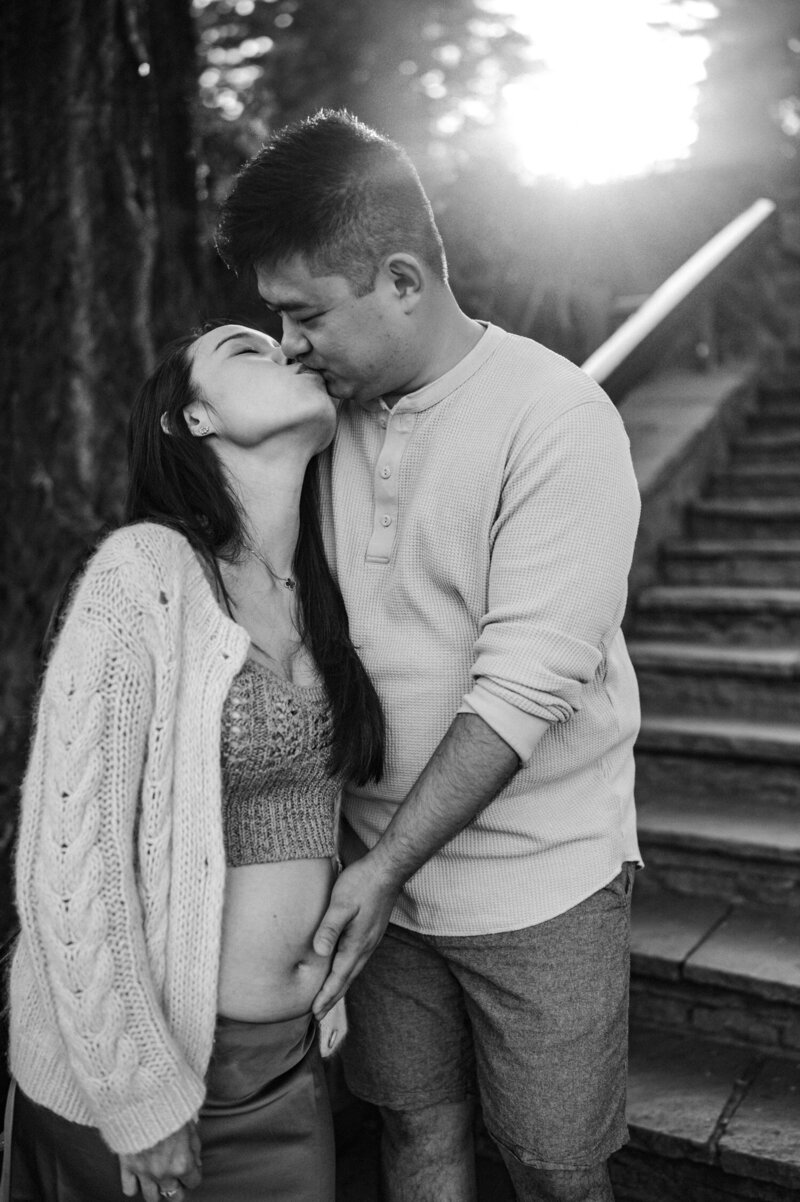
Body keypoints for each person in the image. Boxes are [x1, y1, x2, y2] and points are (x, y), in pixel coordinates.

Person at [215, 110, 642, 1202]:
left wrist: (381, 867)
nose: (290, 345)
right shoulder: (319, 419)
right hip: (375, 881)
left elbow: (522, 687)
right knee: (413, 1136)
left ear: (401, 280)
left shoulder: (555, 417)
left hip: (539, 879)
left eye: (304, 314)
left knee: (554, 1171)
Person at [1, 321, 384, 1202]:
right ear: (193, 420)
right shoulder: (144, 573)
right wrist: (141, 1096)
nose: (288, 349)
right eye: (247, 350)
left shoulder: (324, 592)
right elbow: (71, 856)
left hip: (290, 1065)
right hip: (151, 1075)